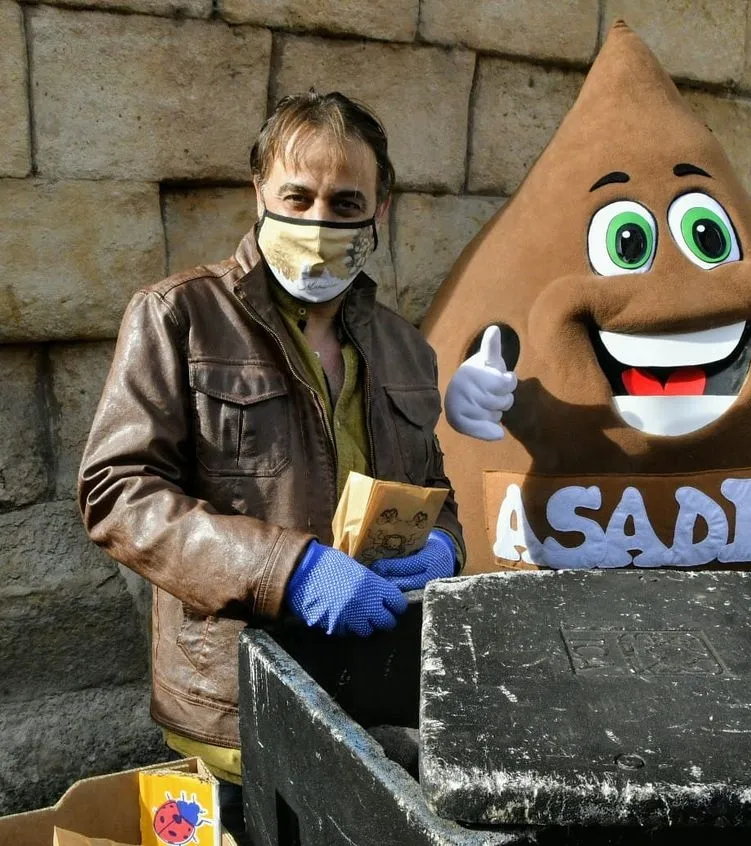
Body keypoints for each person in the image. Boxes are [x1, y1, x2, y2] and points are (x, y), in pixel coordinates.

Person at [78, 91, 464, 840]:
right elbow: (116, 493)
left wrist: (445, 545)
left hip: (374, 697)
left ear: (380, 211)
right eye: (298, 196)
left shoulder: (404, 347)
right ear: (260, 193)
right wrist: (290, 571)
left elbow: (436, 490)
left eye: (345, 202)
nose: (319, 221)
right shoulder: (179, 315)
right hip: (232, 709)